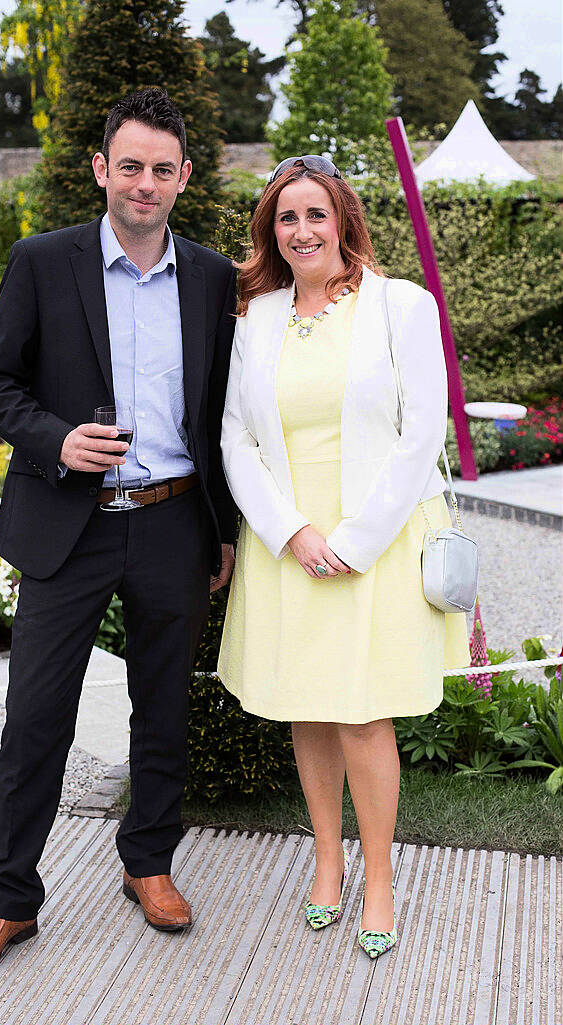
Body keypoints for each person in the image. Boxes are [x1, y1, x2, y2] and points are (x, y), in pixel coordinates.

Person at [0, 88, 238, 976]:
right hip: (67, 525)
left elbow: (220, 412)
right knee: (35, 717)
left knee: (163, 709)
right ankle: (7, 900)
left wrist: (219, 527)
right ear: (101, 169)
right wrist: (55, 440)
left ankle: (148, 861)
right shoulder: (42, 260)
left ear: (182, 178)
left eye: (162, 169)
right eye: (130, 166)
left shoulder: (215, 277)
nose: (144, 183)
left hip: (173, 522)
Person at [217, 155, 469, 959]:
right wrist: (289, 529)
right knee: (309, 705)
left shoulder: (401, 305)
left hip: (378, 537)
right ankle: (326, 860)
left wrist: (355, 539)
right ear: (271, 231)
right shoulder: (252, 317)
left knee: (363, 714)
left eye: (314, 215)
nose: (300, 231)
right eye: (285, 218)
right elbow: (234, 436)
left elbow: (421, 432)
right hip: (287, 539)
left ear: (343, 221)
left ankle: (379, 877)